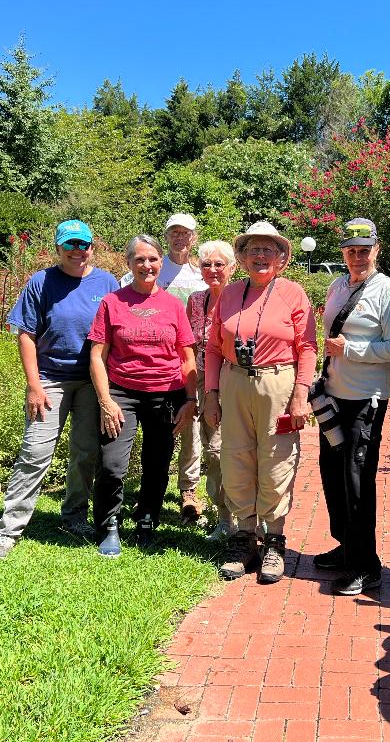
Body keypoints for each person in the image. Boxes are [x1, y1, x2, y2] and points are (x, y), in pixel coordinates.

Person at [0, 220, 119, 560]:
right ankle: (8, 530)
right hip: (50, 379)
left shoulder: (107, 282)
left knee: (85, 453)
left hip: (92, 381)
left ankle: (74, 517)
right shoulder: (41, 281)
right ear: (58, 248)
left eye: (83, 244)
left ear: (92, 247)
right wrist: (34, 385)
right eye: (70, 244)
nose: (77, 251)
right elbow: (26, 334)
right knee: (35, 452)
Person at [203, 222, 318, 584]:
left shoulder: (293, 293)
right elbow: (212, 348)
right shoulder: (229, 294)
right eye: (253, 249)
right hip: (234, 381)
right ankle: (245, 538)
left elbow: (307, 347)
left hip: (277, 383)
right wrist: (211, 394)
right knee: (235, 457)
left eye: (269, 249)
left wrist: (301, 394)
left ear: (281, 258)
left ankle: (274, 541)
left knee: (276, 460)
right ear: (242, 257)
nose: (261, 256)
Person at [88, 234, 198, 558]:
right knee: (111, 464)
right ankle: (109, 524)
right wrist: (105, 400)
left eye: (152, 259)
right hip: (121, 392)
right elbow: (97, 355)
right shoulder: (112, 303)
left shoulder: (173, 305)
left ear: (161, 262)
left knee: (157, 463)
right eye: (139, 259)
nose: (146, 265)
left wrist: (190, 400)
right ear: (129, 263)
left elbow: (187, 356)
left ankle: (147, 520)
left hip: (165, 394)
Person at [312, 218, 390, 596]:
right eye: (351, 250)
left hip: (365, 400)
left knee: (357, 480)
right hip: (333, 396)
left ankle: (367, 565)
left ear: (376, 250)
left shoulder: (388, 291)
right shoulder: (337, 285)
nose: (357, 256)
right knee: (332, 474)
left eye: (364, 250)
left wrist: (349, 349)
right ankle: (346, 545)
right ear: (343, 252)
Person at [120, 212, 207, 523]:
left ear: (194, 237)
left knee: (191, 429)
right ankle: (146, 491)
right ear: (166, 236)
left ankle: (188, 489)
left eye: (185, 233)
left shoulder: (200, 273)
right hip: (154, 366)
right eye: (174, 233)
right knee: (153, 433)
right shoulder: (153, 267)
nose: (180, 238)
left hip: (192, 361)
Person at [185, 240, 238, 542]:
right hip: (205, 381)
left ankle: (251, 516)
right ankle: (225, 518)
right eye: (207, 264)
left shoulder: (242, 298)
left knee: (242, 449)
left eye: (220, 264)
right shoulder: (196, 301)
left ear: (232, 267)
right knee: (214, 450)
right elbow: (187, 347)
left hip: (236, 379)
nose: (213, 270)